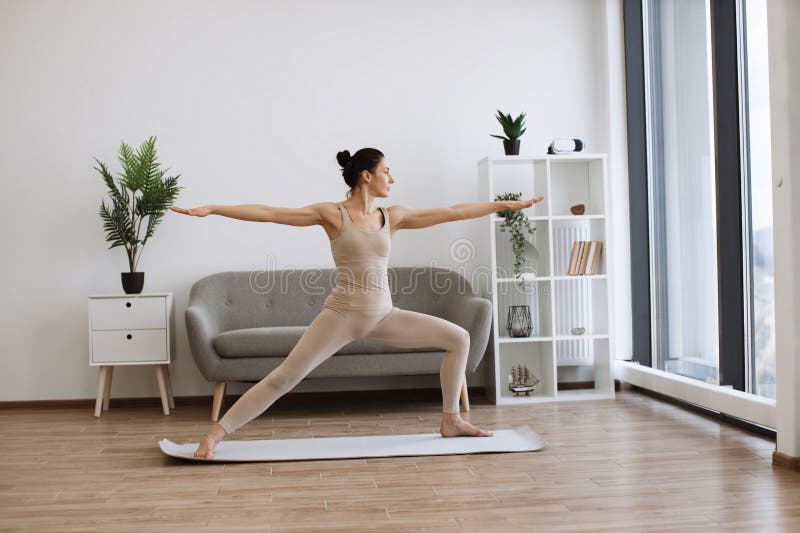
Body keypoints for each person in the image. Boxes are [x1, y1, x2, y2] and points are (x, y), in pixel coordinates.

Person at [170, 147, 544, 458]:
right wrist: (214, 208)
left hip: (384, 316)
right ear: (366, 175)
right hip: (341, 315)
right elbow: (269, 213)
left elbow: (451, 212)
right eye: (386, 171)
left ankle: (450, 420)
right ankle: (216, 435)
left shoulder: (391, 216)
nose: (392, 179)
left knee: (459, 337)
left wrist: (504, 207)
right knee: (285, 376)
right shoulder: (332, 214)